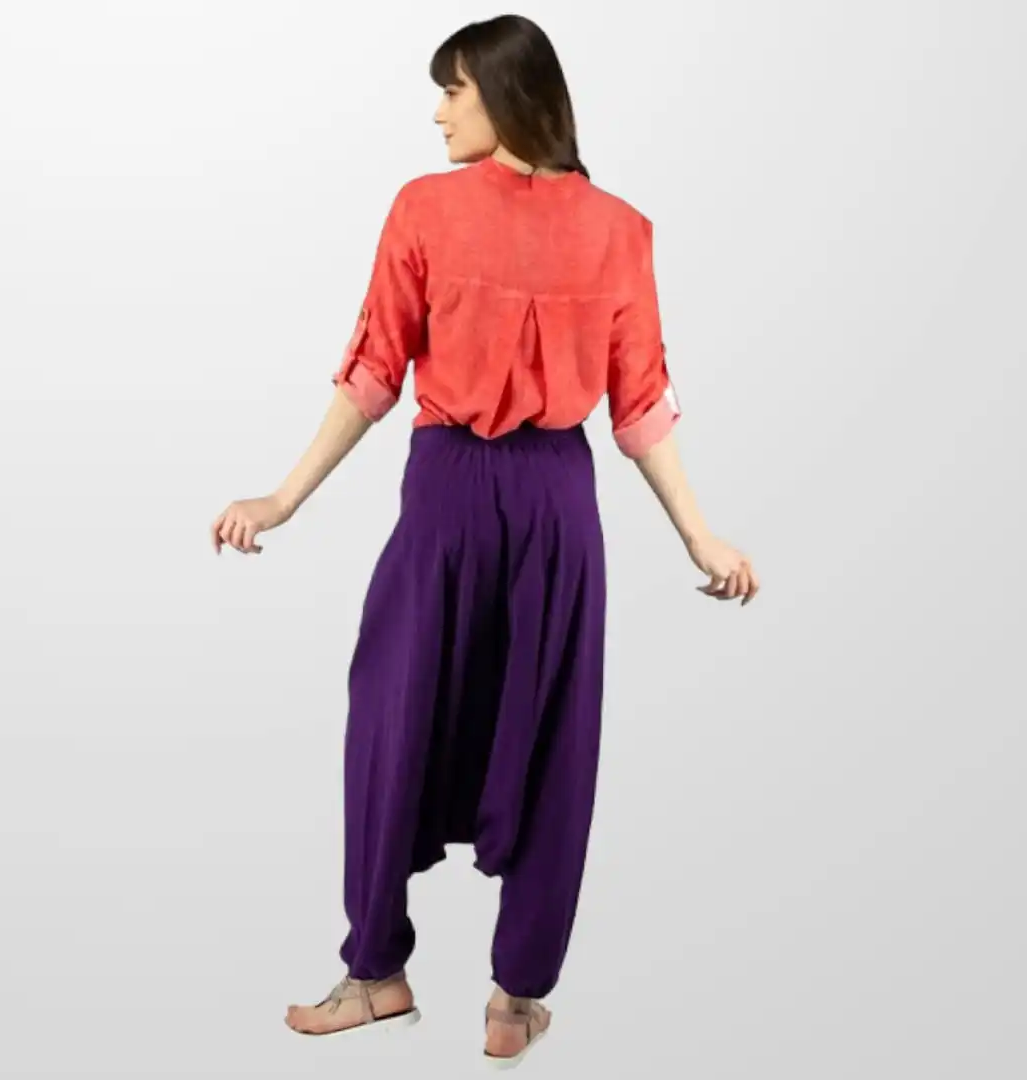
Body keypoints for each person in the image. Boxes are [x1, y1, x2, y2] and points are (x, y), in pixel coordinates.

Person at [211, 14, 759, 1069]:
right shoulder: (619, 228)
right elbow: (641, 406)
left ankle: (377, 975)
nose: (437, 112)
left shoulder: (428, 207)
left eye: (452, 90)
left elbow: (375, 371)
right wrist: (699, 537)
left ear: (505, 94)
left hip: (452, 487)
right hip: (557, 498)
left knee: (397, 718)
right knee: (546, 731)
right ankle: (515, 999)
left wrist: (284, 497)